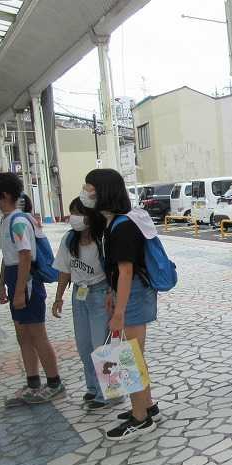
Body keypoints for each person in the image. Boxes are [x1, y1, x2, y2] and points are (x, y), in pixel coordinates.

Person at [83, 169, 160, 440]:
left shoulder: (123, 225)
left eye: (89, 188)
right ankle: (146, 406)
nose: (86, 193)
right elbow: (118, 270)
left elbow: (126, 271)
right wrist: (111, 292)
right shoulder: (117, 222)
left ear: (103, 191)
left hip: (134, 296)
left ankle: (140, 419)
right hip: (130, 293)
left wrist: (119, 312)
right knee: (134, 356)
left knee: (129, 359)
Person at [0, 173, 64, 406]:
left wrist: (20, 291)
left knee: (37, 334)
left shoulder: (18, 221)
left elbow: (25, 255)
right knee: (23, 336)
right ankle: (33, 383)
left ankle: (55, 383)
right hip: (15, 279)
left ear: (4, 194)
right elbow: (8, 256)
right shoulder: (6, 220)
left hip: (27, 281)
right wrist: (2, 284)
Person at [52, 197, 116, 410]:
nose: (74, 218)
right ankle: (93, 388)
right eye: (72, 213)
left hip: (100, 294)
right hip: (79, 295)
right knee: (84, 346)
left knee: (102, 346)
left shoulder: (102, 238)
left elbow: (114, 269)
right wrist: (58, 297)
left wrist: (112, 294)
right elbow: (64, 270)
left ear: (90, 216)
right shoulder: (69, 239)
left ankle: (111, 392)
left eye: (78, 213)